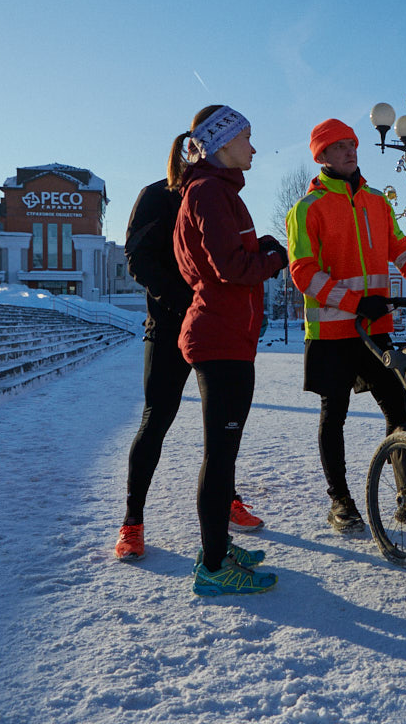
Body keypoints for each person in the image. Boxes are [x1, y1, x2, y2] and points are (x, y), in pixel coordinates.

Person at [113, 176, 266, 563]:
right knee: (157, 417)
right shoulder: (157, 195)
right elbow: (138, 258)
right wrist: (188, 303)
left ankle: (225, 501)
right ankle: (132, 522)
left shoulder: (218, 196)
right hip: (167, 326)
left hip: (212, 326)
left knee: (222, 427)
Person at [171, 104, 288, 595]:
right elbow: (230, 269)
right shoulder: (209, 192)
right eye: (247, 137)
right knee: (220, 457)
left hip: (226, 337)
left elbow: (222, 257)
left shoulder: (214, 192)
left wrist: (256, 245)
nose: (254, 147)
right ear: (221, 143)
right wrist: (272, 259)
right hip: (220, 340)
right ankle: (214, 568)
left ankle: (214, 546)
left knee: (224, 454)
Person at [286, 119, 406, 533]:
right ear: (321, 156)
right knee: (334, 415)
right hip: (329, 334)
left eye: (353, 145)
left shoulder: (378, 202)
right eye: (339, 146)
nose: (350, 151)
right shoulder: (307, 208)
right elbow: (303, 272)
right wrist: (354, 302)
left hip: (374, 329)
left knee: (401, 410)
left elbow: (401, 250)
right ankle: (340, 501)